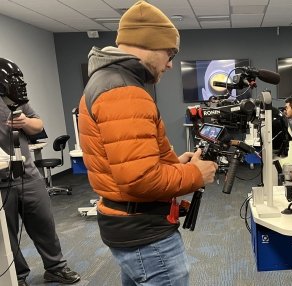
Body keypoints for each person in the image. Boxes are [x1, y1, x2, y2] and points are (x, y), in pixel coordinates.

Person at [77, 1, 218, 285]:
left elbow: (127, 165)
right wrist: (194, 174)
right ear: (148, 44)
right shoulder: (124, 91)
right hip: (144, 232)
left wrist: (173, 164)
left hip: (129, 224)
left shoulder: (110, 82)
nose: (170, 63)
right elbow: (140, 179)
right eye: (169, 52)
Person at [0, 58, 80, 286]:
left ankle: (56, 268)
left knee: (44, 224)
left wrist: (25, 122)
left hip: (28, 175)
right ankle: (17, 276)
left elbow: (38, 125)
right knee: (7, 235)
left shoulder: (15, 101)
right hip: (2, 182)